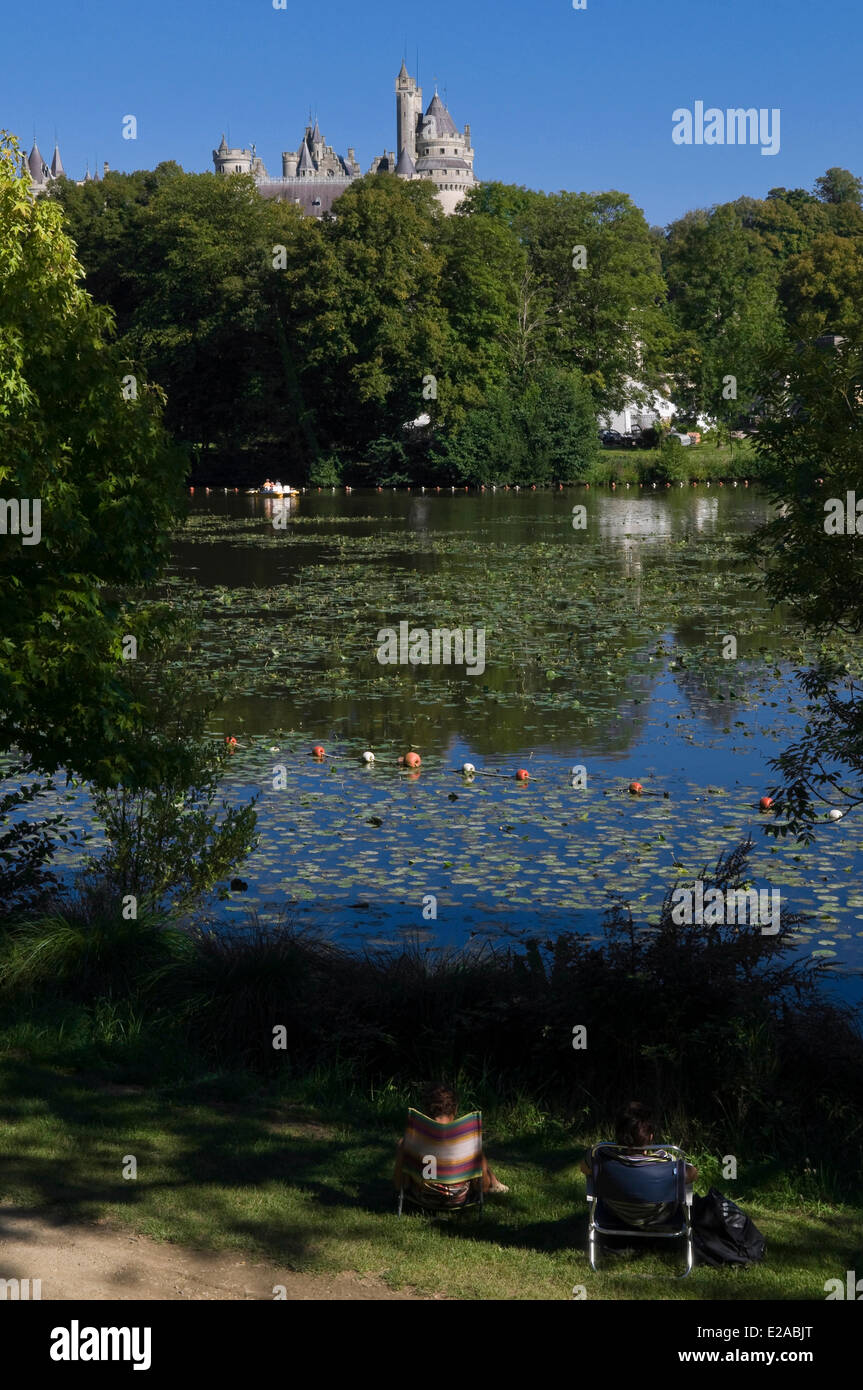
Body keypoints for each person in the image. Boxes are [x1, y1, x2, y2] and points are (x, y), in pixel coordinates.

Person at [580, 1100, 697, 1229]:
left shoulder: (601, 1157)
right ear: (650, 1136)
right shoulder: (665, 1161)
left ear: (618, 1134)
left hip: (616, 1214)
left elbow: (584, 1168)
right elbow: (692, 1173)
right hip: (659, 1217)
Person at [394, 1083, 509, 1208]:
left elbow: (400, 1185)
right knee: (476, 1148)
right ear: (455, 1109)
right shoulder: (467, 1141)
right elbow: (483, 1188)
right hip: (458, 1199)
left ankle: (495, 1182)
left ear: (426, 1110)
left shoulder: (414, 1140)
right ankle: (495, 1182)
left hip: (424, 1199)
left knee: (402, 1144)